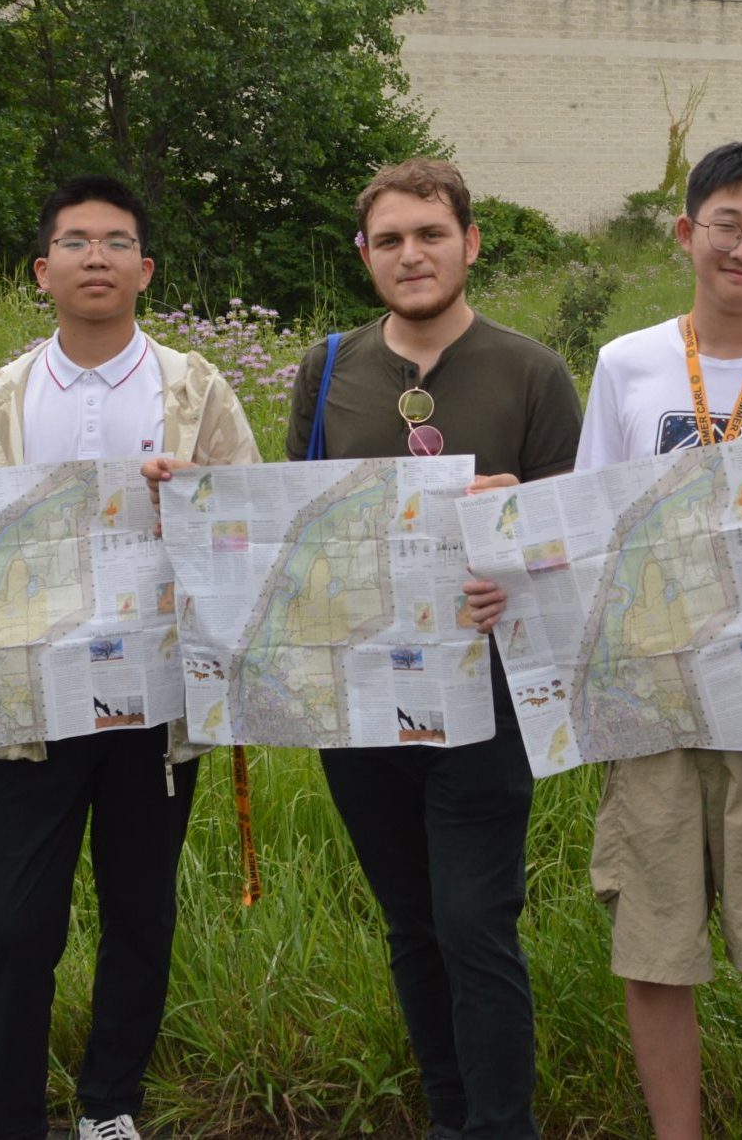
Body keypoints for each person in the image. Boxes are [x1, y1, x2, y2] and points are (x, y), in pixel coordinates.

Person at [0, 175, 258, 1140]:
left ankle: (110, 1106)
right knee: (21, 926)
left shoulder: (195, 389)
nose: (96, 257)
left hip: (156, 710)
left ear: (146, 269)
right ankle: (12, 1117)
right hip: (28, 709)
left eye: (116, 242)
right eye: (75, 242)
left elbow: (249, 524)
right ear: (43, 270)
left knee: (140, 918)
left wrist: (198, 496)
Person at [281, 157, 582, 1140]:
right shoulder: (327, 369)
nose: (412, 254)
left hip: (487, 691)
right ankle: (451, 1116)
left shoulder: (532, 370)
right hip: (359, 690)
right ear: (366, 253)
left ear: (470, 243)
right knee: (411, 924)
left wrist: (524, 533)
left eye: (431, 234)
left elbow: (579, 541)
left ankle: (503, 1126)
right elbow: (300, 522)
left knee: (473, 922)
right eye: (392, 238)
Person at [575, 141, 742, 1140]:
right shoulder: (626, 365)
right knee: (655, 944)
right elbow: (590, 525)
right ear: (688, 233)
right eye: (724, 224)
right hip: (653, 694)